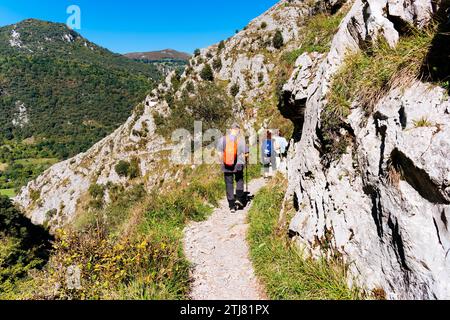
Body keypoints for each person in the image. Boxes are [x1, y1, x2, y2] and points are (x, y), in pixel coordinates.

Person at [217, 123, 248, 213]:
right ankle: (238, 198)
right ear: (238, 130)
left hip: (226, 165)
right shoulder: (241, 140)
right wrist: (245, 160)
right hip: (238, 165)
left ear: (231, 129)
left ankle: (231, 205)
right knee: (239, 180)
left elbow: (219, 153)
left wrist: (223, 162)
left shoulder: (222, 139)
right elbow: (246, 153)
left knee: (229, 183)